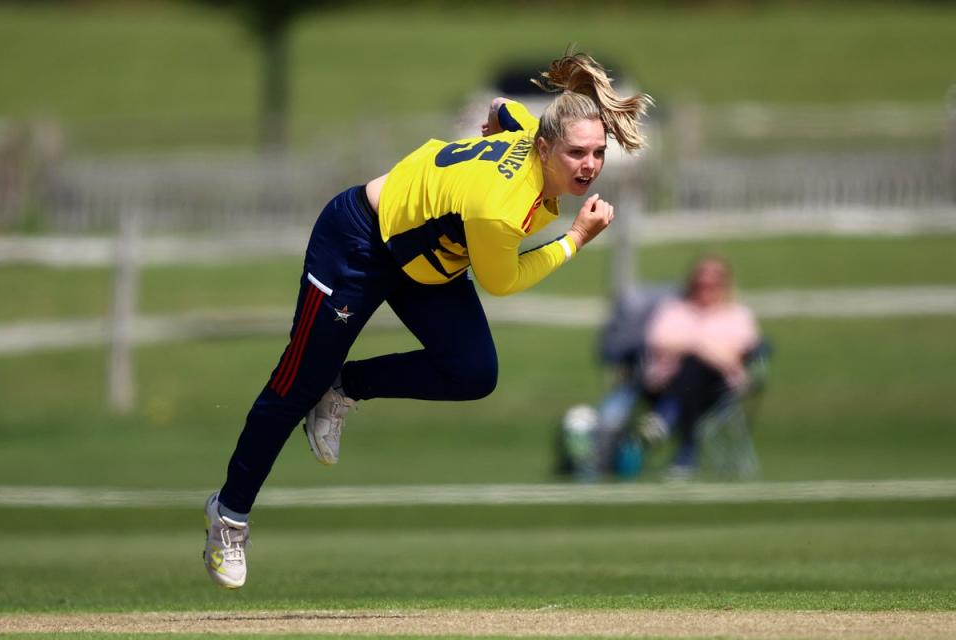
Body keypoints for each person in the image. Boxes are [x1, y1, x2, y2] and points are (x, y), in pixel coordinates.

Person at [203, 52, 652, 589]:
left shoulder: (531, 135)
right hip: (360, 241)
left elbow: (505, 107)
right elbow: (502, 281)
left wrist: (494, 118)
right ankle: (228, 516)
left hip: (426, 260)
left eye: (598, 153)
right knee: (294, 382)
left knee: (472, 373)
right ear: (544, 147)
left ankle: (344, 387)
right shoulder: (499, 205)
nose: (589, 165)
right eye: (577, 152)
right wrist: (575, 239)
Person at [638, 254, 761, 476]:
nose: (706, 288)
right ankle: (685, 455)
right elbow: (658, 342)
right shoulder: (674, 309)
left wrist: (696, 348)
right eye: (701, 283)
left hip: (718, 388)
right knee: (690, 371)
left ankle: (665, 420)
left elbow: (738, 355)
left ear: (724, 284)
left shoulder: (737, 315)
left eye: (713, 284)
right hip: (666, 383)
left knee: (695, 367)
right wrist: (703, 348)